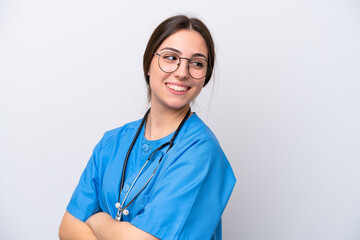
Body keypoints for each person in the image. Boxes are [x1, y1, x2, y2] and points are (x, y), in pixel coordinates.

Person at [59, 15, 236, 240]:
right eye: (171, 57)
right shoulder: (112, 143)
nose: (182, 72)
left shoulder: (200, 151)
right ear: (148, 65)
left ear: (205, 77)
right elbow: (67, 228)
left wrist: (98, 219)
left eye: (197, 63)